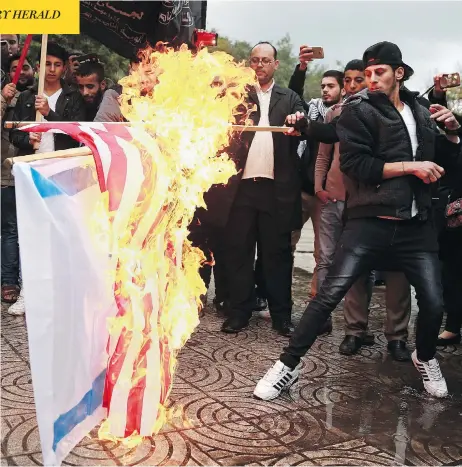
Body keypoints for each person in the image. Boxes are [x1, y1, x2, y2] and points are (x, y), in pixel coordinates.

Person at [254, 41, 461, 400]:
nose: (371, 80)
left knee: (433, 303)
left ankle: (424, 356)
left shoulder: (423, 111)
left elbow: (448, 159)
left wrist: (455, 131)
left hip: (416, 226)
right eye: (367, 74)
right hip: (368, 223)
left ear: (399, 73)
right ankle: (286, 366)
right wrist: (411, 167)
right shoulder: (358, 110)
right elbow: (356, 166)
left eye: (379, 72)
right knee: (327, 295)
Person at [315, 59, 412, 360]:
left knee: (397, 272)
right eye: (351, 80)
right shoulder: (339, 112)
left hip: (389, 203)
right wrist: (321, 187)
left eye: (365, 78)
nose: (357, 85)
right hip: (347, 203)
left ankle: (397, 337)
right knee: (353, 268)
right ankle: (354, 331)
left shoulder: (402, 113)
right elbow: (325, 146)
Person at [219, 42, 305, 337]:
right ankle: (238, 312)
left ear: (276, 64)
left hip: (277, 189)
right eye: (255, 60)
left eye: (265, 60)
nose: (259, 65)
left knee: (277, 255)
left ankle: (282, 316)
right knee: (238, 252)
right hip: (240, 188)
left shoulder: (290, 97)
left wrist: (298, 121)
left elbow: (303, 125)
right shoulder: (237, 95)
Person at [1, 54, 35, 309]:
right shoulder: (7, 96)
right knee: (11, 230)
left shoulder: (33, 97)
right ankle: (9, 281)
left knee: (32, 229)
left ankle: (31, 284)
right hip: (6, 171)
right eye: (14, 69)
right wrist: (4, 99)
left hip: (30, 170)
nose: (20, 72)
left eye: (24, 66)